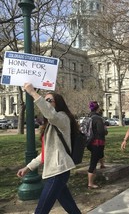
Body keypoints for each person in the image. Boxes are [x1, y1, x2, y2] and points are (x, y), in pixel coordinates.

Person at [17, 83, 81, 214]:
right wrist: (28, 168)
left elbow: (51, 114)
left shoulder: (62, 118)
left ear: (58, 103)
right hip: (54, 170)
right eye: (45, 100)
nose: (46, 103)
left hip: (58, 170)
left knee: (41, 210)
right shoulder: (50, 125)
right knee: (70, 206)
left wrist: (33, 93)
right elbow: (46, 152)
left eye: (49, 100)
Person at [87, 101, 107, 189]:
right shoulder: (98, 118)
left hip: (90, 142)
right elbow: (101, 132)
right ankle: (90, 183)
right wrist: (106, 130)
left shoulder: (89, 117)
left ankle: (102, 164)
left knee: (100, 154)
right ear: (98, 108)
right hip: (97, 142)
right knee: (93, 162)